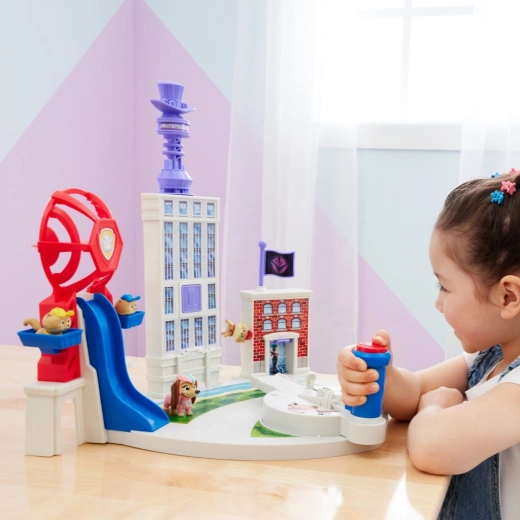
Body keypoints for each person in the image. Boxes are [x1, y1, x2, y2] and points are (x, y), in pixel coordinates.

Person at [337, 171, 520, 520]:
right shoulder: (491, 357)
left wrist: (437, 404)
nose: (438, 303)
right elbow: (415, 391)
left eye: (444, 287)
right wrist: (380, 377)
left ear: (508, 297)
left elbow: (432, 448)